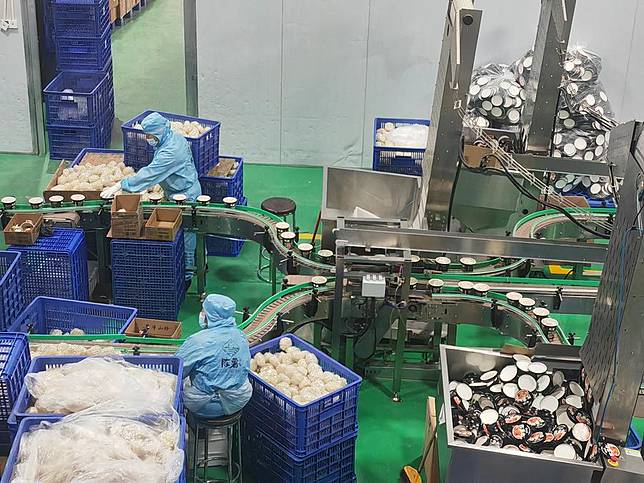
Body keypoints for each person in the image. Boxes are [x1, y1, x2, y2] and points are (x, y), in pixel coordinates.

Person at [101, 112, 202, 283]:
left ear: (160, 131)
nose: (148, 138)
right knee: (184, 234)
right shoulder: (171, 139)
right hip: (174, 193)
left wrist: (121, 185)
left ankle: (187, 276)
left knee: (188, 237)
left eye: (150, 135)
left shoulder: (171, 151)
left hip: (186, 196)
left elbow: (151, 172)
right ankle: (192, 264)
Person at [175, 294, 253, 419]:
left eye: (203, 311)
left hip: (205, 405)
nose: (201, 314)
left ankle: (193, 428)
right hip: (238, 401)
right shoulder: (241, 336)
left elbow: (177, 370)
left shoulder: (198, 341)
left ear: (210, 315)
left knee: (181, 383)